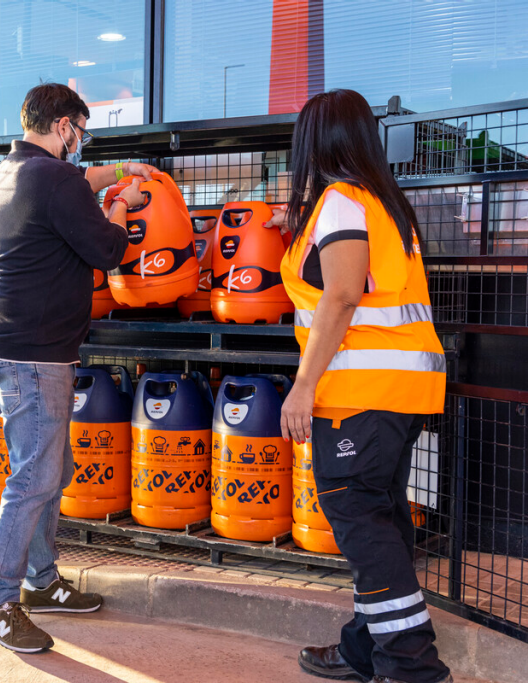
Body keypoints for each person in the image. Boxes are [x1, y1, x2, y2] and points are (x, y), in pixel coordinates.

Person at [272, 89, 451, 683]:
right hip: (400, 396)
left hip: (357, 397)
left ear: (314, 142)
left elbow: (344, 294)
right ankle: (363, 649)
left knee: (363, 527)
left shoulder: (341, 201)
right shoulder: (381, 202)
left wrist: (302, 387)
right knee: (382, 524)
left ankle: (412, 668)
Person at [0, 83, 158, 653]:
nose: (82, 144)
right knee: (33, 478)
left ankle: (42, 580)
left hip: (11, 346)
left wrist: (120, 170)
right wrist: (123, 205)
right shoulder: (52, 179)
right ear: (63, 127)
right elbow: (107, 249)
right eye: (81, 132)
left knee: (50, 469)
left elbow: (80, 183)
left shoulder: (16, 171)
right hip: (32, 356)